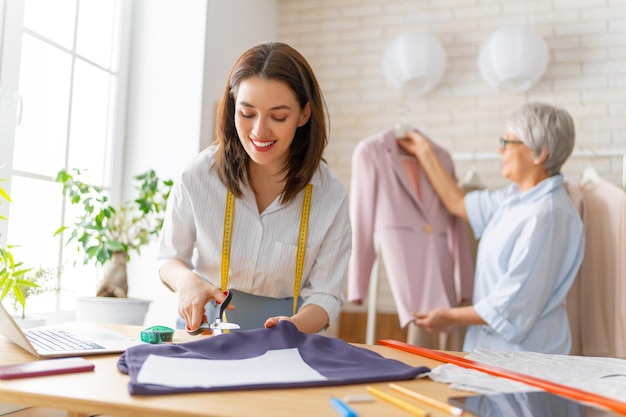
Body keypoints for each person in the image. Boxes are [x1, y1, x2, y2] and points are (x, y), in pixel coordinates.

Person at [158, 42, 351, 335]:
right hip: (206, 332)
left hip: (286, 340)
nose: (260, 131)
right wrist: (187, 283)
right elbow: (170, 258)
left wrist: (294, 327)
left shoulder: (329, 195)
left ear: (304, 114)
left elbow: (326, 294)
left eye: (278, 116)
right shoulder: (198, 175)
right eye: (247, 113)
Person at [397, 102, 585, 354]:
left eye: (508, 142)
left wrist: (449, 317)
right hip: (493, 352)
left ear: (540, 154)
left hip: (526, 359)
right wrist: (424, 152)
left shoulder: (547, 215)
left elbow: (510, 304)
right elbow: (458, 203)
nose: (499, 149)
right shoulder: (513, 199)